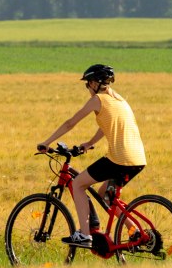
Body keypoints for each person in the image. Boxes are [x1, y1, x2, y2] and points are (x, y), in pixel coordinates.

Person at [37, 64, 148, 248]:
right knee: (105, 194)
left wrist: (47, 142)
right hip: (137, 159)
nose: (87, 88)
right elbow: (108, 124)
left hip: (119, 159)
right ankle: (135, 231)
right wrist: (89, 143)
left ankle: (85, 234)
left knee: (78, 184)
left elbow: (70, 123)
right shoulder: (119, 99)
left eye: (87, 84)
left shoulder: (98, 99)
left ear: (95, 83)